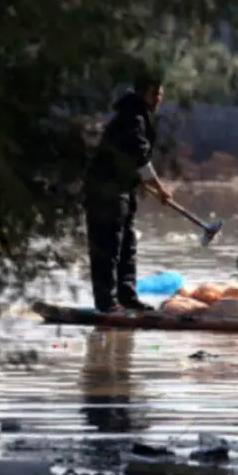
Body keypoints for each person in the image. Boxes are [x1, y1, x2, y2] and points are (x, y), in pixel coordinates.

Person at [83, 71, 172, 313]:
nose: (159, 97)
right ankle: (106, 303)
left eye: (161, 93)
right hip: (104, 191)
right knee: (107, 246)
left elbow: (131, 161)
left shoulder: (139, 116)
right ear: (142, 93)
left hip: (123, 188)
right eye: (155, 93)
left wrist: (142, 183)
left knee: (126, 246)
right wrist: (159, 189)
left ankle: (127, 297)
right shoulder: (131, 118)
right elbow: (139, 156)